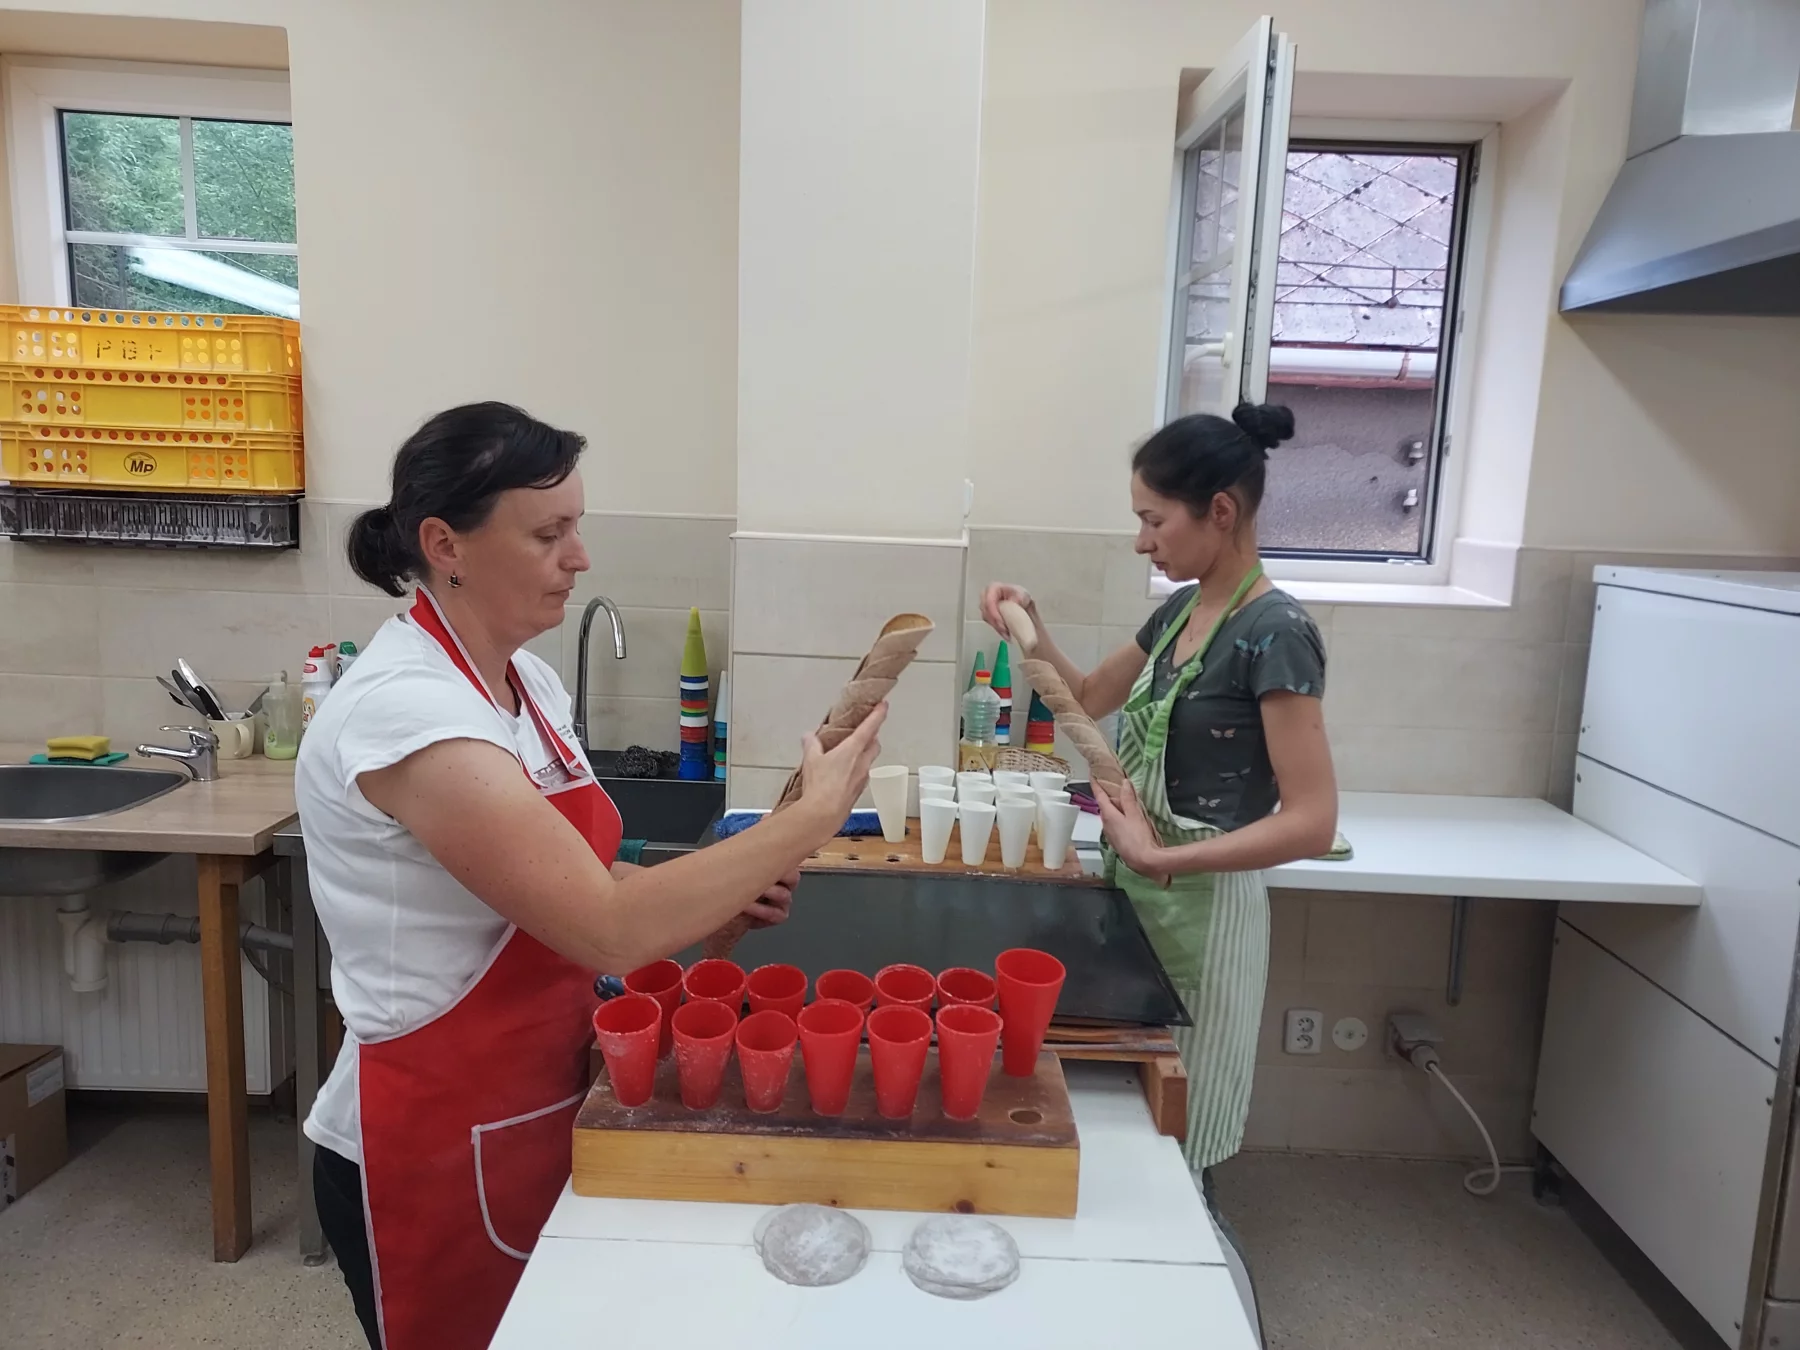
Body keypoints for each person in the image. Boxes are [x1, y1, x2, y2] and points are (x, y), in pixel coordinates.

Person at [297, 403, 884, 1350]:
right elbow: (604, 924)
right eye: (548, 534)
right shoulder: (406, 713)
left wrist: (721, 886)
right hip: (431, 1138)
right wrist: (808, 821)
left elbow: (575, 874)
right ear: (445, 545)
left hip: (548, 1097)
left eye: (577, 526)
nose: (580, 557)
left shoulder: (529, 685)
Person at [981, 401, 1337, 1339]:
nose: (1143, 540)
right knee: (1132, 1124)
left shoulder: (1275, 633)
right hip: (1137, 894)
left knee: (1181, 1151)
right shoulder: (1181, 609)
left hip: (1204, 916)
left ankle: (1205, 1311)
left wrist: (1160, 853)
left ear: (1220, 511)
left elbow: (1312, 819)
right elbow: (1086, 699)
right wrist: (1030, 627)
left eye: (1154, 519)